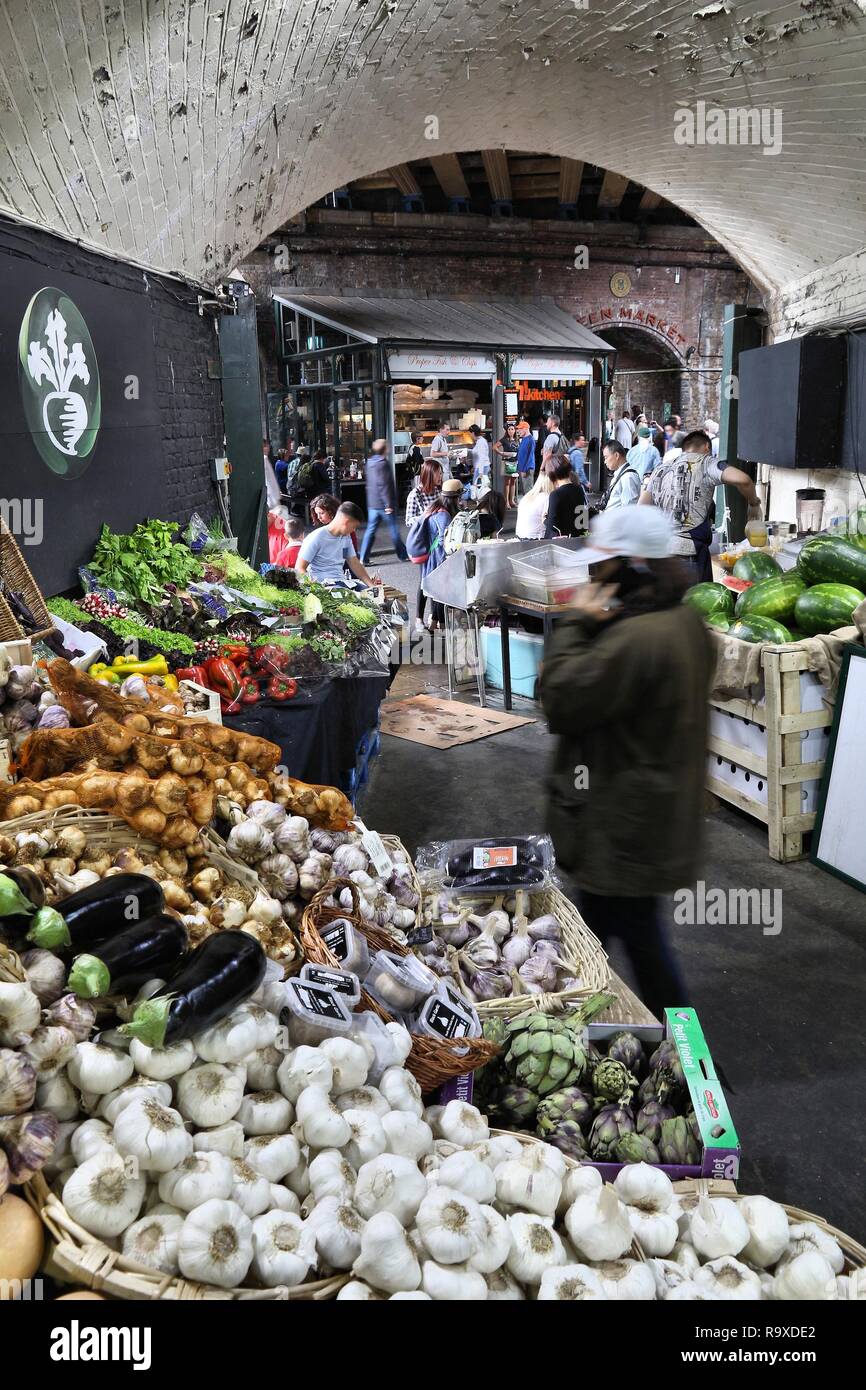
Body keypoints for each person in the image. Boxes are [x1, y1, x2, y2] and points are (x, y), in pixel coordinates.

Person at [540, 505, 713, 1017]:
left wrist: (577, 623)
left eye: (602, 565)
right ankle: (577, 1020)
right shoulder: (685, 622)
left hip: (620, 828)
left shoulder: (636, 640)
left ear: (631, 567)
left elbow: (562, 699)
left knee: (635, 947)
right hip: (648, 819)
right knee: (609, 935)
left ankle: (690, 1062)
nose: (593, 576)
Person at [640, 428, 760, 581]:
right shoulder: (706, 462)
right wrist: (754, 504)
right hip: (688, 556)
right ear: (706, 447)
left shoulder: (660, 469)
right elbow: (743, 479)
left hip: (660, 554)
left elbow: (641, 508)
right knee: (694, 603)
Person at [415, 479, 463, 630]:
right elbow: (445, 541)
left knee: (431, 588)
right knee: (440, 591)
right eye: (459, 497)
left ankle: (433, 623)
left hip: (428, 555)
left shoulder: (435, 507)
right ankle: (442, 628)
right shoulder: (444, 516)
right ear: (455, 498)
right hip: (437, 558)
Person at [296, 501, 380, 586]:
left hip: (342, 582)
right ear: (346, 522)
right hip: (324, 586)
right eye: (354, 527)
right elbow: (300, 568)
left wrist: (371, 586)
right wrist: (315, 588)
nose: (354, 530)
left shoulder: (345, 537)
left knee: (372, 595)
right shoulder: (316, 537)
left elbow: (353, 562)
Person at [360, 439, 408, 565]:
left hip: (373, 503)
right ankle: (403, 555)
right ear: (385, 449)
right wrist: (388, 504)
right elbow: (384, 485)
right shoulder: (383, 463)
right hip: (384, 504)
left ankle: (363, 557)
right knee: (393, 530)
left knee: (370, 530)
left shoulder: (369, 462)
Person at [544, 456, 588, 538]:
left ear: (551, 474)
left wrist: (544, 520)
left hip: (563, 541)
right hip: (577, 538)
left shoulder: (555, 495)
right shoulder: (579, 489)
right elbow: (583, 519)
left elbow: (552, 526)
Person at [600, 441, 641, 510]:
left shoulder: (628, 476)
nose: (605, 461)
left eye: (606, 457)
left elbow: (628, 508)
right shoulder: (621, 474)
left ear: (616, 455)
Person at [515, 471, 554, 539]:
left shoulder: (528, 496)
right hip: (536, 538)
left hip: (521, 537)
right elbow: (552, 523)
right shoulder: (547, 497)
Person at [405, 460, 443, 526]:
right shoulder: (415, 494)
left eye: (441, 473)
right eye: (437, 474)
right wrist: (424, 516)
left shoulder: (439, 490)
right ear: (429, 475)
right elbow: (408, 522)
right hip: (427, 533)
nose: (440, 476)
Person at [494, 423, 519, 509]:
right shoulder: (504, 439)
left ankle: (512, 500)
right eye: (509, 429)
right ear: (507, 431)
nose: (511, 431)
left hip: (515, 462)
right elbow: (494, 447)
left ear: (515, 430)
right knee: (507, 482)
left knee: (513, 482)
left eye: (512, 429)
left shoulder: (517, 439)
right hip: (506, 462)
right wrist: (501, 453)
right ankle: (506, 501)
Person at [515, 419, 536, 496]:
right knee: (525, 491)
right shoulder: (524, 439)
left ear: (526, 429)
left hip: (526, 470)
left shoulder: (530, 439)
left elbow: (530, 456)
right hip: (523, 469)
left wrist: (525, 470)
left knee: (528, 492)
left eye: (520, 429)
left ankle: (530, 507)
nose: (518, 431)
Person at [469, 424, 491, 494]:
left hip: (482, 468)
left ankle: (481, 502)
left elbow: (482, 457)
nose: (470, 436)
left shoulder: (481, 442)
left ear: (472, 433)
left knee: (479, 488)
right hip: (480, 467)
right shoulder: (479, 441)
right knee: (479, 488)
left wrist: (480, 472)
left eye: (470, 434)